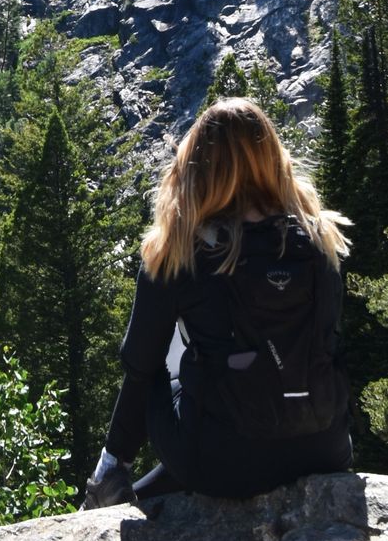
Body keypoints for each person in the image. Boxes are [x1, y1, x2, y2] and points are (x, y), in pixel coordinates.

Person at [84, 95, 351, 509]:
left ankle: (112, 479)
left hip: (223, 465)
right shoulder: (319, 239)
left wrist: (112, 456)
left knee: (159, 366)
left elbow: (140, 364)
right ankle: (152, 485)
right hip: (324, 450)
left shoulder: (184, 251)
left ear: (201, 167)